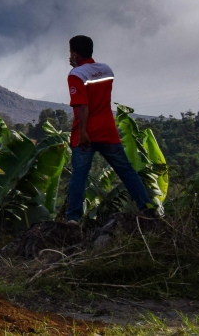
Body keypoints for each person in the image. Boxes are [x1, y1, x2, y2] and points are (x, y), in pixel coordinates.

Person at [64, 35, 156, 223]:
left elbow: (82, 105)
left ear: (74, 53)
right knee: (126, 171)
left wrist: (82, 133)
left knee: (79, 177)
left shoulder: (75, 76)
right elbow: (96, 91)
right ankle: (146, 207)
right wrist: (78, 67)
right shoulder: (107, 70)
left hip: (86, 134)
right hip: (107, 131)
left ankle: (73, 218)